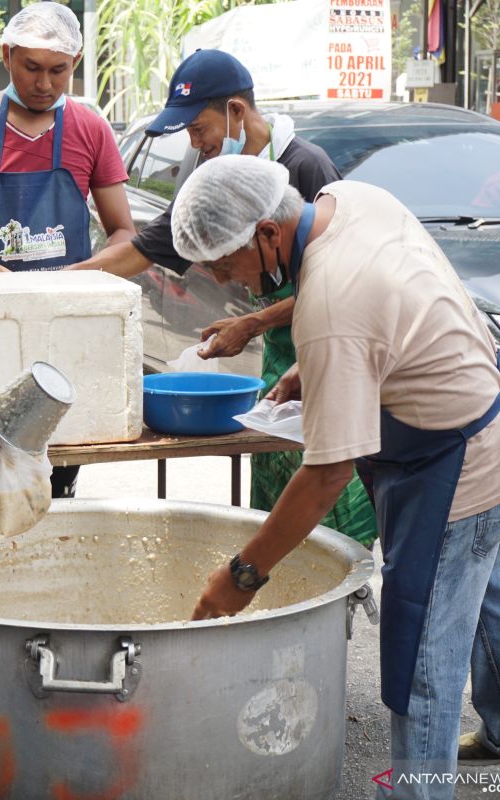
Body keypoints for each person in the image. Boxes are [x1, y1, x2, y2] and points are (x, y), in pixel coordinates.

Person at [175, 156, 500, 799]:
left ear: (268, 234)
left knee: (421, 659)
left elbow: (328, 473)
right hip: (497, 423)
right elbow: (388, 295)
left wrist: (240, 577)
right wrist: (328, 367)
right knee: (493, 585)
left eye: (227, 266)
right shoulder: (348, 199)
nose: (233, 284)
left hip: (459, 466)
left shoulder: (332, 307)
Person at [69, 48, 376, 547]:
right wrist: (65, 280)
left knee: (330, 511)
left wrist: (254, 322)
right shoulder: (210, 178)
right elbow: (144, 249)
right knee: (276, 502)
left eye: (198, 128)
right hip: (282, 358)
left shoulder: (307, 167)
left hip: (330, 346)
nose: (196, 143)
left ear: (235, 111)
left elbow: (342, 291)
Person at [0, 1, 134, 510]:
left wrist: (78, 278)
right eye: (31, 68)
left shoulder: (90, 128)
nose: (44, 83)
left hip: (63, 331)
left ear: (75, 63)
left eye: (58, 70)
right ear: (7, 56)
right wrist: (7, 284)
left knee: (53, 477)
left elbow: (124, 233)